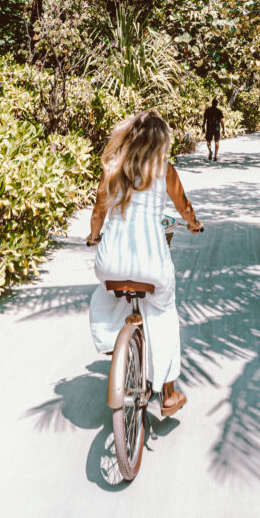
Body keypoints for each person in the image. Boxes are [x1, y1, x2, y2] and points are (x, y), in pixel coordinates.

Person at [86, 110, 202, 417]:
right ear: (161, 141)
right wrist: (193, 223)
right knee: (163, 311)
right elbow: (184, 207)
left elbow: (98, 214)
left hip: (110, 262)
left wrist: (93, 237)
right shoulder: (165, 171)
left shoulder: (112, 168)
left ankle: (117, 349)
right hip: (151, 264)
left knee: (105, 295)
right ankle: (168, 393)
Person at [202, 97, 225, 161]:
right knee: (216, 142)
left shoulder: (208, 110)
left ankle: (211, 152)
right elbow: (222, 121)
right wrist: (223, 129)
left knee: (209, 141)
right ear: (216, 104)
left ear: (212, 103)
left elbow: (204, 120)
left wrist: (203, 127)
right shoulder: (218, 111)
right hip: (216, 128)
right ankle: (215, 156)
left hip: (210, 128)